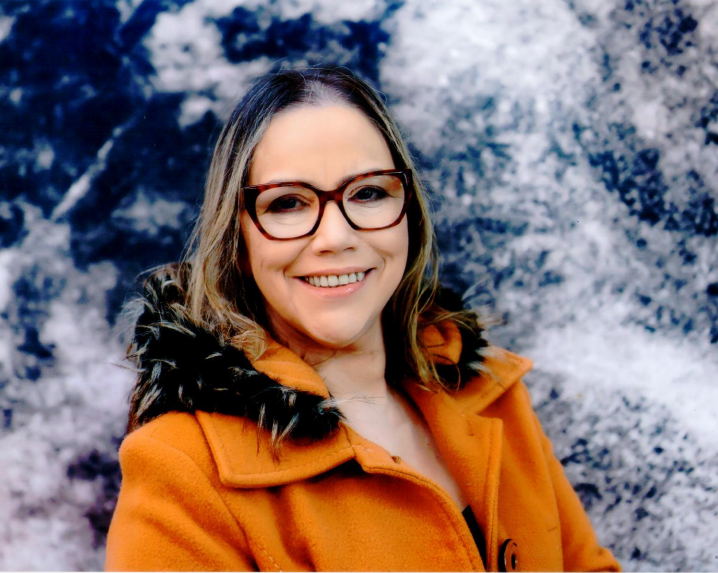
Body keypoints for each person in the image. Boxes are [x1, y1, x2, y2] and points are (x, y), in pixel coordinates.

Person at [105, 66, 620, 572]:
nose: (335, 237)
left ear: (408, 213)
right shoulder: (181, 468)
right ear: (237, 240)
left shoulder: (493, 393)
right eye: (288, 203)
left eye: (369, 193)